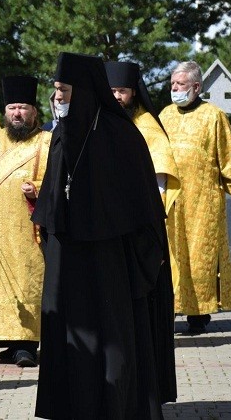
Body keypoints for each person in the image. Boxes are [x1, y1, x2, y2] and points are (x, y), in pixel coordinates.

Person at [32, 52, 175, 419]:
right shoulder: (62, 134)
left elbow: (143, 210)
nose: (58, 97)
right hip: (66, 259)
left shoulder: (121, 135)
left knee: (112, 342)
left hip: (110, 261)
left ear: (84, 90)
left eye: (64, 90)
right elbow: (53, 195)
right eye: (56, 90)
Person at [0, 76, 51, 368]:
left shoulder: (47, 143)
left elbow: (61, 182)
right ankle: (7, 341)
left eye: (23, 108)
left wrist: (38, 188)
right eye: (12, 108)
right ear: (5, 111)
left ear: (34, 111)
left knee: (28, 284)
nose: (17, 113)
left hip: (31, 233)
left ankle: (26, 345)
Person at [160, 60, 231, 334]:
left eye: (180, 84)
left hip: (203, 201)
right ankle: (169, 309)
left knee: (199, 257)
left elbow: (229, 153)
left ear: (195, 87)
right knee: (171, 255)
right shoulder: (165, 115)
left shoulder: (214, 116)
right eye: (172, 84)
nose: (175, 88)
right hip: (171, 198)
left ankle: (198, 314)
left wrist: (230, 183)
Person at [105, 61, 180, 216]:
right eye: (112, 91)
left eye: (122, 91)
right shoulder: (99, 121)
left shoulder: (148, 125)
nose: (117, 96)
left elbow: (160, 171)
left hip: (137, 203)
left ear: (133, 92)